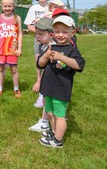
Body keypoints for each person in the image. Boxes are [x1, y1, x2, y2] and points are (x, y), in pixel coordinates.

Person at [38, 16, 85, 148]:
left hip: (61, 89)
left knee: (59, 116)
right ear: (52, 33)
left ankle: (58, 140)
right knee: (50, 113)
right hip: (48, 87)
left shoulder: (72, 50)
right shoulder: (51, 47)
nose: (61, 35)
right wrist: (46, 55)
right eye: (57, 31)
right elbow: (40, 64)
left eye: (65, 32)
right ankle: (54, 133)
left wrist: (62, 58)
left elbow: (79, 65)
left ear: (72, 33)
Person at [24, 0, 54, 104]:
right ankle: (41, 93)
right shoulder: (33, 8)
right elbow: (29, 26)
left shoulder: (52, 7)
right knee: (39, 65)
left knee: (52, 64)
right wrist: (41, 32)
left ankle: (51, 90)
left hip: (52, 41)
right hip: (38, 40)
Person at [0, 0, 23, 97]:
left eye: (10, 6)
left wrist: (19, 48)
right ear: (2, 6)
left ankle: (16, 89)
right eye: (5, 6)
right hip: (0, 49)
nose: (7, 8)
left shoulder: (17, 18)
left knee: (14, 69)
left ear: (13, 6)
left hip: (12, 49)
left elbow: (20, 34)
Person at [28, 17, 55, 132]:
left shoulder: (53, 48)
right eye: (36, 34)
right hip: (48, 79)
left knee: (48, 99)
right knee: (46, 99)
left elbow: (47, 68)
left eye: (40, 34)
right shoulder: (43, 45)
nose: (37, 36)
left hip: (53, 80)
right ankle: (46, 121)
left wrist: (39, 82)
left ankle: (46, 123)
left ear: (51, 34)